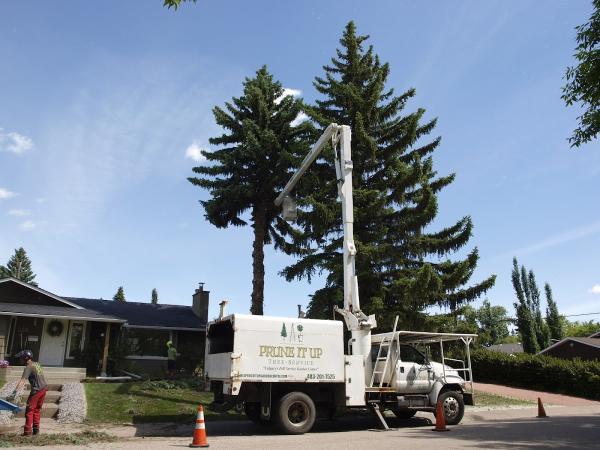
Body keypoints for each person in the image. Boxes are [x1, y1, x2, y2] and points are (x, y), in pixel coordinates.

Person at [12, 350, 48, 436]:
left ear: (25, 358)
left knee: (29, 410)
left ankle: (27, 432)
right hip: (43, 389)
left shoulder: (28, 367)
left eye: (21, 358)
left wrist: (14, 392)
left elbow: (22, 380)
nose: (20, 360)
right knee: (37, 410)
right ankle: (36, 431)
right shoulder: (37, 364)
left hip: (37, 390)